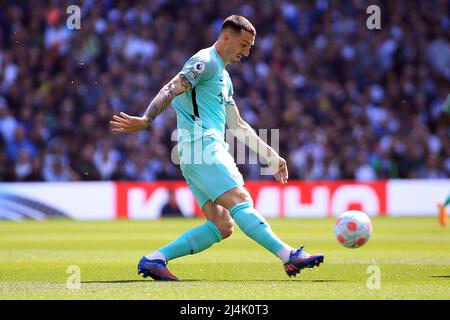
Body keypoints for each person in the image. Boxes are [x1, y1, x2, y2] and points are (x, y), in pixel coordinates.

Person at [110, 15, 324, 281]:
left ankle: (155, 259)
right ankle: (288, 255)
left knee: (222, 225)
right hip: (203, 146)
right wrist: (146, 119)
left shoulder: (223, 75)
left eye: (250, 47)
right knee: (241, 201)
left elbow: (237, 125)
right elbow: (172, 86)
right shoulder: (206, 61)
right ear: (226, 37)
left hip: (193, 152)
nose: (247, 52)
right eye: (244, 45)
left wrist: (272, 155)